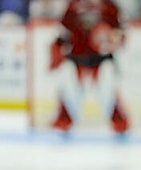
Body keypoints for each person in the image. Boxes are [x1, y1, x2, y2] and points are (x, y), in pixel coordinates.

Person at [48, 0, 130, 133]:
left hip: (102, 59)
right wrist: (57, 51)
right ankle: (64, 118)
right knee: (69, 89)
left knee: (107, 90)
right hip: (75, 57)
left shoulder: (109, 6)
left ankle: (118, 120)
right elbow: (63, 32)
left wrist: (116, 39)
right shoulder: (73, 5)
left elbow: (121, 33)